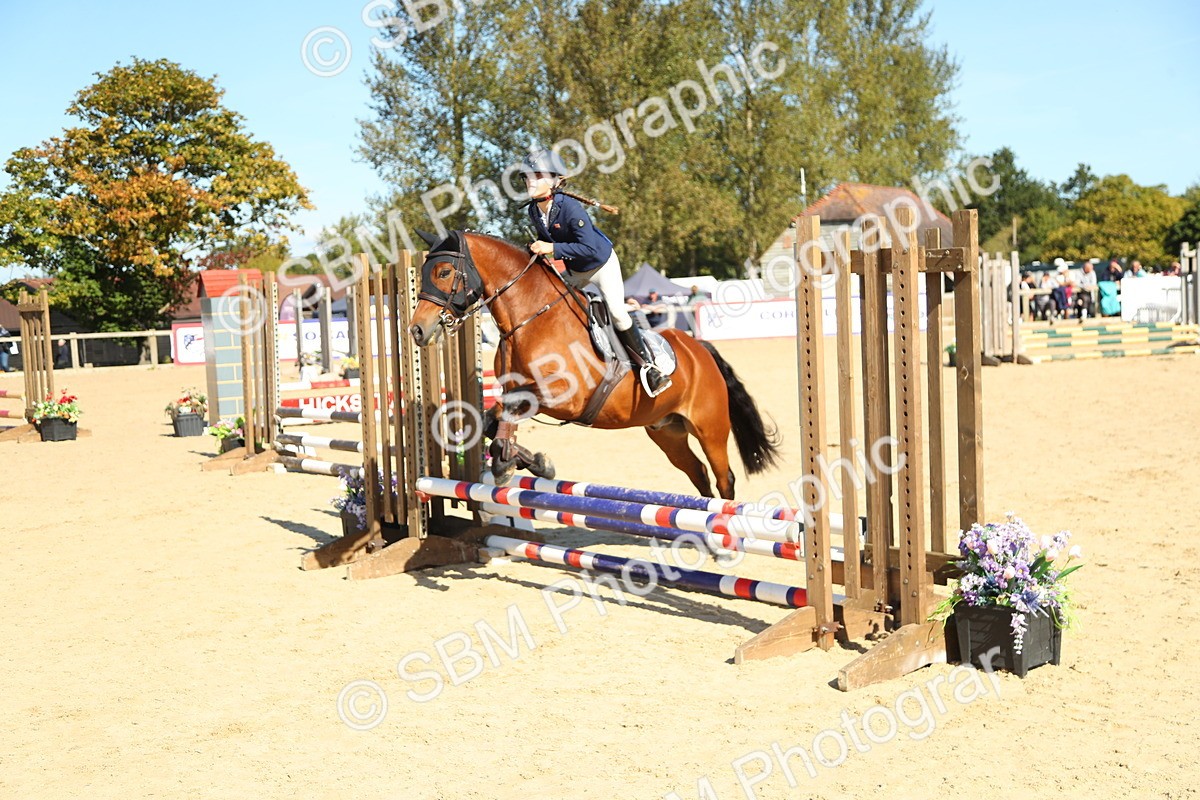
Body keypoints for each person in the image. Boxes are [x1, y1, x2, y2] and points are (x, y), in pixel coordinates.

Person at [522, 150, 669, 394]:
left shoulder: (570, 207)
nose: (530, 181)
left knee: (618, 313)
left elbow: (588, 248)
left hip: (601, 265)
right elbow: (547, 240)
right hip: (575, 270)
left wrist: (551, 248)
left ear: (555, 180)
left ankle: (650, 367)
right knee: (550, 305)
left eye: (537, 176)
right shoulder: (534, 210)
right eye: (527, 176)